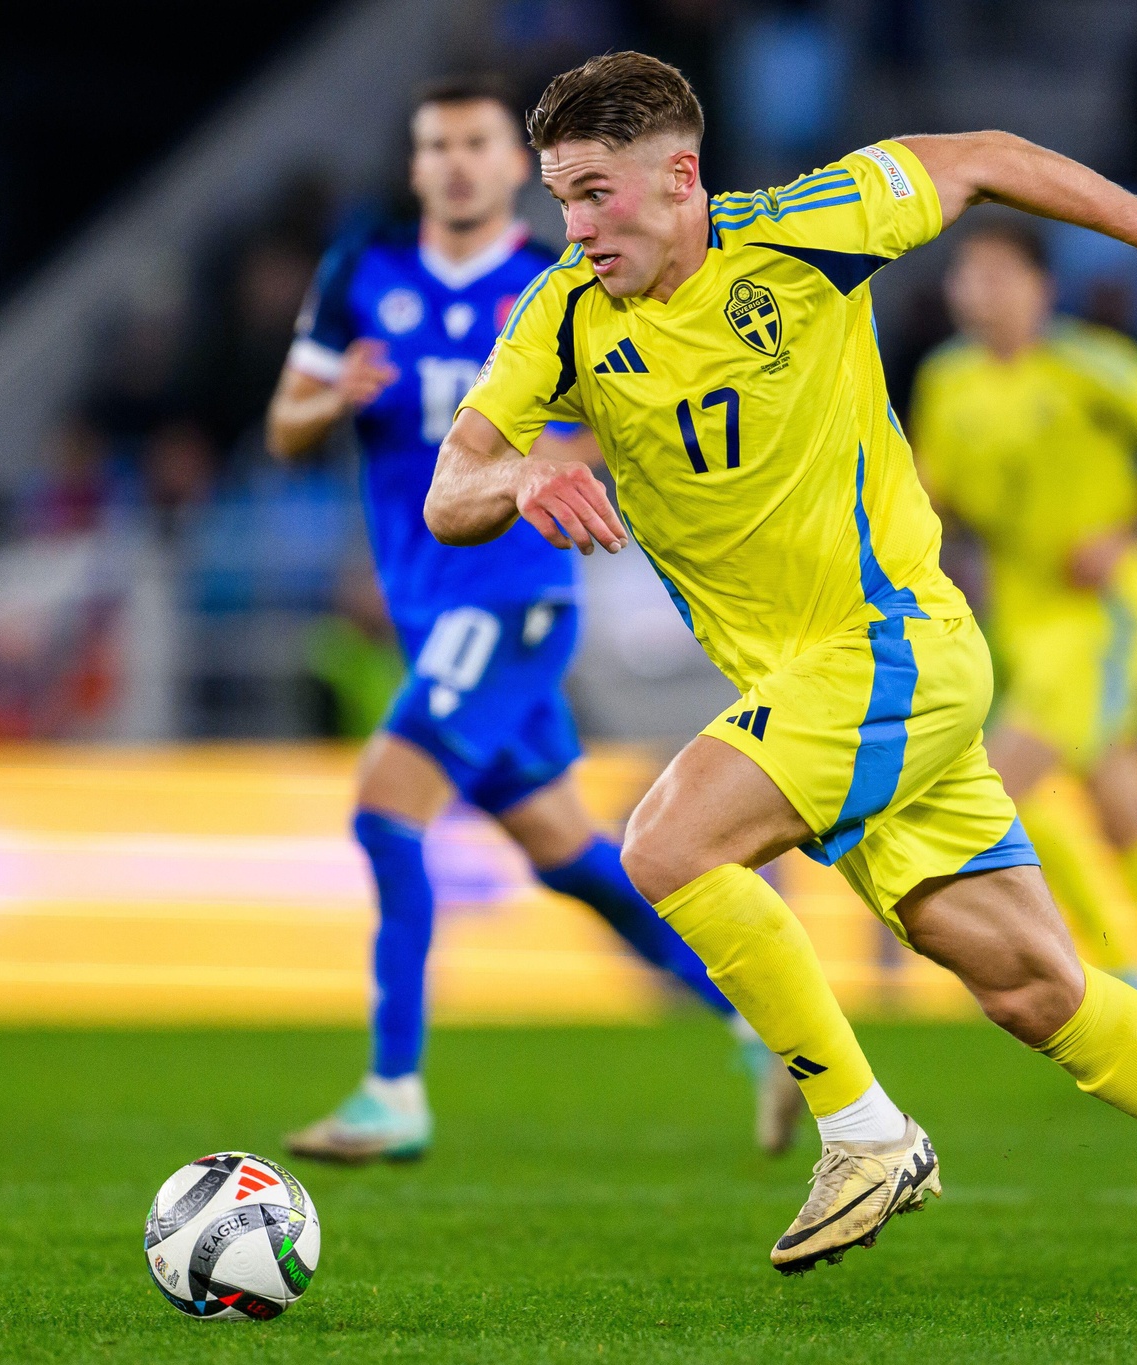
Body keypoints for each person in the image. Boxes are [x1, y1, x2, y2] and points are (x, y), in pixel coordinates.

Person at [427, 52, 1137, 1319]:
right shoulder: (557, 319)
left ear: (680, 177)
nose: (574, 227)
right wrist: (519, 481)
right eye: (559, 200)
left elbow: (983, 153)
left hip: (892, 650)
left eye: (594, 195)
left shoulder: (806, 234)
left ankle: (862, 1131)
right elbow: (452, 487)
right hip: (817, 690)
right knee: (1032, 986)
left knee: (665, 847)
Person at [266, 74, 803, 1164]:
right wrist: (332, 399)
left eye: (474, 143)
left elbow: (643, 412)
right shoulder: (359, 273)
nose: (455, 162)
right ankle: (763, 1022)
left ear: (514, 167)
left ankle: (393, 1088)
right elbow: (282, 426)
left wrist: (563, 456)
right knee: (569, 859)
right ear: (416, 166)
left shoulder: (561, 285)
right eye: (435, 146)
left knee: (385, 808)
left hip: (511, 598)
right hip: (424, 608)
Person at [910, 220, 1137, 1066]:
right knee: (1117, 801)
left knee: (1002, 784)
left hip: (1106, 612)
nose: (982, 290)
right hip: (1025, 619)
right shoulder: (947, 381)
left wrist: (1124, 530)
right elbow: (940, 495)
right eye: (970, 275)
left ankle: (1114, 967)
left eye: (999, 272)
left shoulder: (1087, 363)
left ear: (1041, 288)